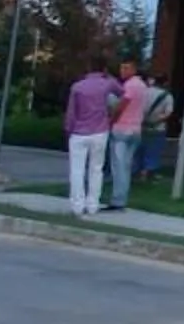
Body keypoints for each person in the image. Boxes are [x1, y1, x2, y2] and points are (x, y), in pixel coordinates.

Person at [63, 60, 118, 217]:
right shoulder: (107, 84)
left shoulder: (77, 86)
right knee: (96, 169)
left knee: (77, 170)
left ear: (88, 68)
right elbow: (121, 92)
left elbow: (71, 112)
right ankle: (92, 205)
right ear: (104, 69)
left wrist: (68, 129)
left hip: (79, 132)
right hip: (100, 131)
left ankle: (77, 205)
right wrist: (109, 77)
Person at [105, 57, 149, 211]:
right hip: (136, 129)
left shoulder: (130, 86)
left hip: (122, 129)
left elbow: (121, 106)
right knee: (126, 166)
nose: (122, 71)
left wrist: (111, 121)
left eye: (126, 68)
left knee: (118, 167)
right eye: (122, 68)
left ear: (134, 70)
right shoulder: (143, 86)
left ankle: (118, 200)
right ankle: (122, 198)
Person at [135, 74, 174, 183]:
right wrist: (156, 120)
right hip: (158, 127)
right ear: (165, 83)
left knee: (139, 149)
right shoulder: (167, 96)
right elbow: (168, 113)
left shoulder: (144, 92)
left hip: (141, 125)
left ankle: (137, 170)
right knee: (154, 150)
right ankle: (148, 171)